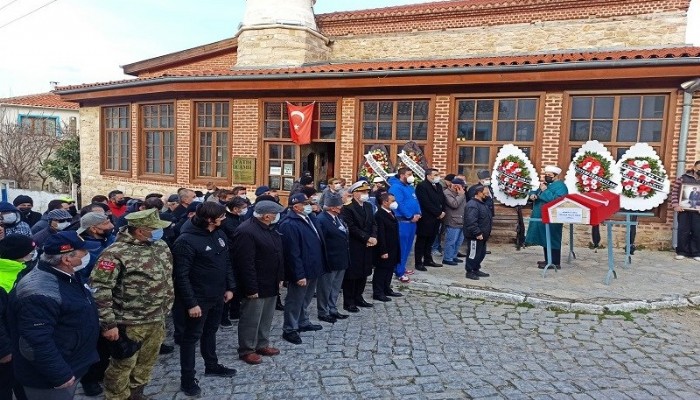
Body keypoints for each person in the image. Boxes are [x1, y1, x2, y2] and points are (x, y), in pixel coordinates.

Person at [89, 209, 174, 400]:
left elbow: (167, 277)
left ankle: (136, 395)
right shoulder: (114, 253)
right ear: (140, 230)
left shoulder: (160, 246)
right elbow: (100, 289)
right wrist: (108, 324)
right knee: (122, 365)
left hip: (156, 318)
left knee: (146, 362)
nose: (159, 231)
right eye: (154, 228)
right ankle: (116, 397)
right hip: (128, 322)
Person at [8, 231, 100, 400]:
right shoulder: (38, 292)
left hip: (72, 361)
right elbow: (35, 342)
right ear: (66, 259)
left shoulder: (66, 274)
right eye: (84, 253)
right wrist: (60, 374)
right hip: (50, 378)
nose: (88, 256)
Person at [172, 202, 236, 397]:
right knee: (190, 339)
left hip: (217, 295)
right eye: (221, 217)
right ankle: (188, 379)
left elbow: (226, 262)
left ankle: (212, 364)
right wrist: (191, 303)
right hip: (197, 299)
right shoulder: (186, 241)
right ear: (209, 219)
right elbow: (180, 276)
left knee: (211, 331)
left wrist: (229, 286)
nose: (225, 219)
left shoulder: (219, 234)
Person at [233, 200, 285, 365]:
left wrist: (279, 277)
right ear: (267, 216)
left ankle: (262, 343)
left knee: (266, 316)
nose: (278, 217)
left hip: (270, 281)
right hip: (256, 283)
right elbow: (245, 263)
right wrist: (251, 287)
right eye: (276, 214)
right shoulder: (246, 231)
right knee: (251, 318)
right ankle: (247, 349)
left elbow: (277, 253)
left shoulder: (268, 228)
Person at [75, 212, 116, 397]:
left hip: (112, 298)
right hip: (91, 299)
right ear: (94, 228)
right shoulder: (83, 248)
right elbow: (81, 275)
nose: (110, 224)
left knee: (108, 342)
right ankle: (89, 380)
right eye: (106, 222)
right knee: (92, 343)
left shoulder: (111, 239)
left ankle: (103, 372)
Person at [279, 193, 325, 345]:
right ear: (296, 206)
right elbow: (292, 253)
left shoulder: (309, 218)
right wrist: (298, 274)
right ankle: (290, 329)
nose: (308, 205)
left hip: (313, 266)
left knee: (306, 298)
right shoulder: (289, 223)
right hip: (301, 270)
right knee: (294, 299)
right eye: (305, 203)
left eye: (309, 202)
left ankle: (303, 321)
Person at [0, 235, 36, 400]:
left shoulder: (23, 269)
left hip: (23, 340)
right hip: (9, 345)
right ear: (21, 254)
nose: (34, 254)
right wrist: (4, 350)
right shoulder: (4, 280)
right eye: (31, 251)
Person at [340, 181, 377, 313]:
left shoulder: (368, 206)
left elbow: (373, 223)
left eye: (367, 192)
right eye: (362, 192)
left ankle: (359, 297)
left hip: (368, 244)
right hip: (354, 244)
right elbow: (351, 227)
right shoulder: (347, 208)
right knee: (352, 274)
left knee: (364, 271)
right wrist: (366, 238)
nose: (365, 194)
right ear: (355, 193)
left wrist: (373, 237)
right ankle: (348, 301)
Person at [316, 194, 351, 324]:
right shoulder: (322, 220)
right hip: (329, 260)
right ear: (332, 207)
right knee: (325, 288)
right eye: (339, 205)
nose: (341, 207)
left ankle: (333, 308)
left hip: (341, 259)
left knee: (335, 287)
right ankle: (323, 311)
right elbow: (320, 242)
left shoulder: (337, 218)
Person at [525, 166, 569, 269]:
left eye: (549, 175)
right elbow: (536, 192)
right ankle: (548, 260)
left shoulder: (561, 187)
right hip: (542, 216)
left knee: (553, 238)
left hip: (553, 217)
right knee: (546, 238)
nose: (547, 177)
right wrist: (533, 195)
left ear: (556, 176)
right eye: (546, 175)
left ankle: (555, 262)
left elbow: (557, 201)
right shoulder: (547, 185)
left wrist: (545, 191)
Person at [388, 168, 421, 281]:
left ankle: (402, 266)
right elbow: (399, 203)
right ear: (402, 175)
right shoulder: (396, 187)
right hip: (403, 221)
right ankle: (399, 271)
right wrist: (410, 216)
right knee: (402, 247)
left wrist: (418, 213)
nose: (411, 176)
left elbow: (415, 201)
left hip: (412, 222)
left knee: (407, 247)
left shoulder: (409, 187)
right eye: (409, 174)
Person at [373, 193, 404, 301]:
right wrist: (383, 250)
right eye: (392, 201)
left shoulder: (391, 213)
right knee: (381, 270)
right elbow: (380, 234)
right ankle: (378, 292)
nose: (394, 203)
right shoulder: (379, 215)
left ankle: (386, 288)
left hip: (393, 246)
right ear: (385, 202)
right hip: (385, 248)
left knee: (389, 269)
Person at [415, 168, 446, 269]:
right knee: (422, 241)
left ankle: (428, 260)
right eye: (435, 174)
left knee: (431, 240)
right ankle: (418, 262)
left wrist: (443, 211)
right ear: (428, 176)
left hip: (437, 218)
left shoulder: (438, 186)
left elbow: (442, 199)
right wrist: (437, 213)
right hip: (426, 218)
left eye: (438, 174)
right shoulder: (422, 186)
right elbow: (425, 202)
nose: (438, 176)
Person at [463, 185, 493, 280]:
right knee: (473, 254)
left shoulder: (482, 203)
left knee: (481, 253)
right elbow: (471, 221)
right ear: (479, 193)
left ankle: (476, 269)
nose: (487, 195)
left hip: (483, 235)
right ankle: (470, 271)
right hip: (475, 236)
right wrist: (477, 233)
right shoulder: (472, 205)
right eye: (486, 193)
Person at [671, 160, 700, 261]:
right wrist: (675, 205)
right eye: (698, 168)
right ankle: (681, 252)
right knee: (683, 231)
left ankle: (696, 253)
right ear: (694, 168)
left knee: (697, 232)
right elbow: (674, 192)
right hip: (684, 210)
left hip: (698, 212)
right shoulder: (683, 178)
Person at [442, 177, 467, 266]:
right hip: (453, 220)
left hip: (462, 220)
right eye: (462, 186)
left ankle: (454, 256)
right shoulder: (447, 193)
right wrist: (460, 195)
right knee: (451, 241)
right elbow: (454, 204)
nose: (463, 189)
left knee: (459, 241)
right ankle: (447, 258)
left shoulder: (460, 193)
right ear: (456, 186)